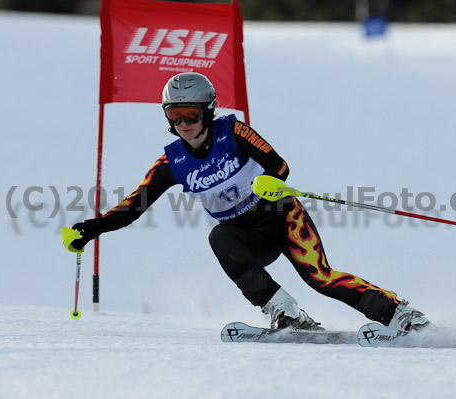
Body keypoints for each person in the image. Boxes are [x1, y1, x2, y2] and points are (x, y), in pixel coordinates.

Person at [65, 72, 429, 332]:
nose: (184, 123)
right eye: (175, 116)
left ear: (207, 111)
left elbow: (279, 164)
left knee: (319, 278)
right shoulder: (171, 163)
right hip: (246, 236)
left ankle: (398, 314)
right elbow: (132, 207)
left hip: (282, 217)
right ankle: (285, 314)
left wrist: (271, 182)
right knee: (218, 236)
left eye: (191, 114)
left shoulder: (233, 132)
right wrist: (90, 229)